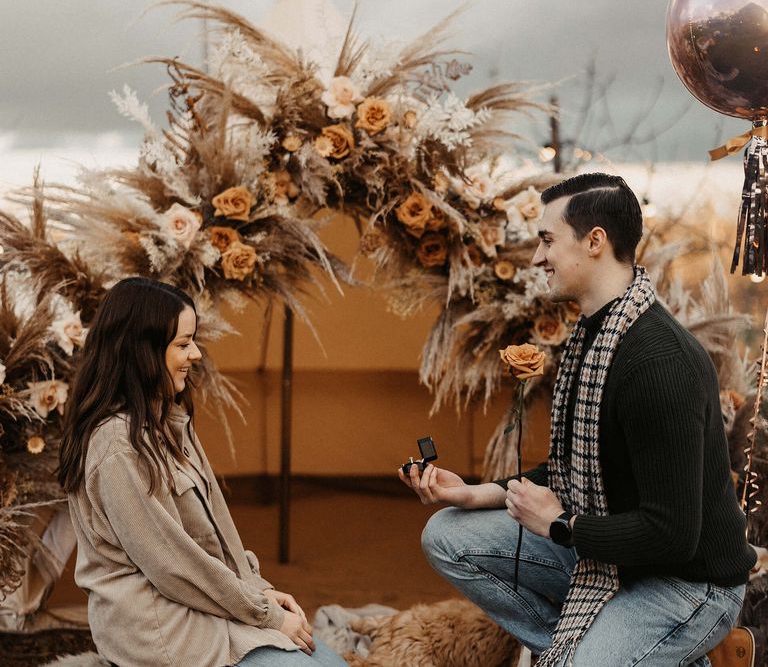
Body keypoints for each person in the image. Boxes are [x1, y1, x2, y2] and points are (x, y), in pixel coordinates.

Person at [399, 173, 756, 666]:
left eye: (547, 240)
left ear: (594, 242)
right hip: (607, 554)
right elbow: (572, 471)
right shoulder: (595, 336)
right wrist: (478, 493)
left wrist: (563, 526)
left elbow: (673, 534)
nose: (537, 257)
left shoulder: (659, 363)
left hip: (687, 584)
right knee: (447, 534)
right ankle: (582, 652)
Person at [59, 277, 347, 667]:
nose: (195, 353)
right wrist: (266, 615)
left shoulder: (169, 420)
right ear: (141, 352)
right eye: (182, 344)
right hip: (160, 629)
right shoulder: (117, 447)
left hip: (205, 606)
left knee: (331, 663)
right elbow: (174, 566)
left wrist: (259, 590)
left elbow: (216, 536)